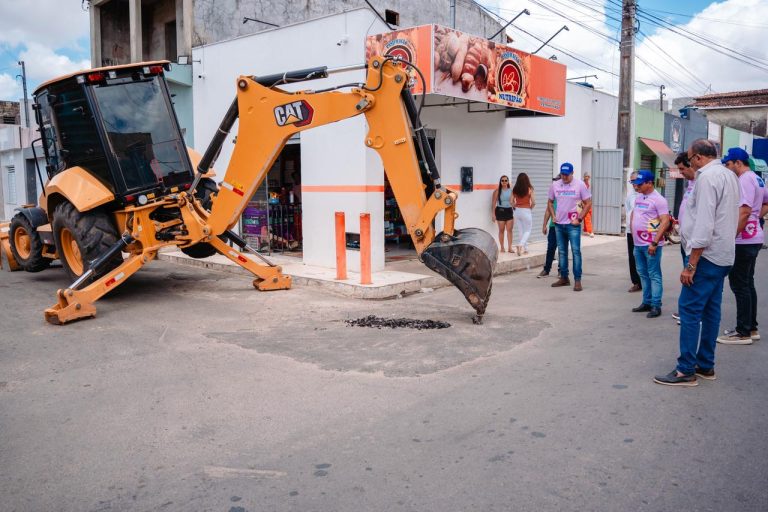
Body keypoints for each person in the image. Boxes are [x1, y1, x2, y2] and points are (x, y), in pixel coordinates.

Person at [653, 139, 739, 387]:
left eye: (689, 160)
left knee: (690, 311)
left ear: (699, 158)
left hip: (707, 257)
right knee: (711, 311)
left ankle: (685, 370)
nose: (689, 165)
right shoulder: (729, 176)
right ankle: (705, 365)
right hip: (722, 255)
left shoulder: (707, 178)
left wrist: (691, 264)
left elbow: (704, 223)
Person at [717, 147, 764, 345]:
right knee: (747, 283)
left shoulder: (744, 180)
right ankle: (751, 327)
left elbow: (744, 212)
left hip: (743, 240)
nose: (727, 168)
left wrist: (730, 236)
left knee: (739, 284)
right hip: (753, 237)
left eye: (728, 164)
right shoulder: (756, 178)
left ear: (738, 162)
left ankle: (743, 331)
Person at [629, 170, 670, 318]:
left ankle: (656, 305)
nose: (636, 187)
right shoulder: (639, 197)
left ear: (649, 183)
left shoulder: (659, 200)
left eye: (639, 184)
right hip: (638, 243)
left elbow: (665, 221)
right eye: (635, 184)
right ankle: (646, 302)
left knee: (654, 274)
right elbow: (635, 214)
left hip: (651, 244)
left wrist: (654, 242)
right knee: (643, 274)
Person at [547, 162, 592, 292]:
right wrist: (553, 216)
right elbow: (549, 202)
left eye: (567, 174)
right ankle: (564, 277)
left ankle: (577, 280)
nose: (564, 177)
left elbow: (588, 203)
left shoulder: (580, 185)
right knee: (562, 252)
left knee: (576, 252)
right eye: (562, 174)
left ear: (572, 173)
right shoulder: (555, 185)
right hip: (559, 225)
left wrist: (579, 219)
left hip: (573, 225)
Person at [671, 152, 696, 324]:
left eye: (682, 169)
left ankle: (691, 314)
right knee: (686, 275)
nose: (680, 173)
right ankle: (687, 311)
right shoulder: (691, 184)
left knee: (691, 276)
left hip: (695, 243)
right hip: (685, 239)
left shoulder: (702, 184)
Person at [538, 175, 560, 278]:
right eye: (554, 181)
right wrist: (544, 225)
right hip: (553, 226)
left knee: (562, 249)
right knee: (550, 248)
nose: (554, 183)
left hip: (564, 226)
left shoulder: (567, 195)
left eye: (556, 181)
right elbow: (548, 210)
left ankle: (562, 271)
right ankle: (546, 270)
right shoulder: (553, 195)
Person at [625, 171, 642, 293]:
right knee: (632, 256)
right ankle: (636, 282)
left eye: (635, 181)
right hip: (630, 231)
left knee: (644, 257)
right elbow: (628, 211)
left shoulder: (649, 194)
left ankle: (646, 281)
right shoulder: (630, 195)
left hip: (643, 232)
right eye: (631, 181)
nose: (633, 184)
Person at [512, 172, 535, 256]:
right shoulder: (530, 189)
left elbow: (511, 201)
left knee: (521, 230)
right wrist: (530, 208)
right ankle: (520, 245)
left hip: (517, 211)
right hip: (526, 210)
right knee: (528, 230)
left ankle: (526, 249)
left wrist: (515, 207)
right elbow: (534, 202)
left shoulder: (515, 189)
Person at [491, 175, 514, 252]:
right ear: (500, 182)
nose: (504, 182)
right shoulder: (497, 191)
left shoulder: (511, 191)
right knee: (501, 230)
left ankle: (510, 248)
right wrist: (493, 214)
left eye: (505, 180)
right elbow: (493, 203)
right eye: (502, 180)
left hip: (509, 211)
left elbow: (513, 202)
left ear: (508, 182)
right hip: (500, 211)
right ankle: (502, 247)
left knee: (509, 230)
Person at [582, 173, 594, 237]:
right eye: (586, 176)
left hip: (588, 201)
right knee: (587, 217)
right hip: (584, 203)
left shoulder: (588, 184)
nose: (587, 178)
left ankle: (586, 230)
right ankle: (590, 231)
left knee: (587, 215)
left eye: (588, 177)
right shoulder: (582, 184)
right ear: (584, 177)